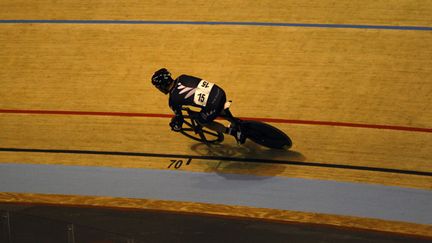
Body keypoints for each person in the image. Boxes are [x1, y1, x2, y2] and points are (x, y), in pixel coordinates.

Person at [151, 68, 245, 144]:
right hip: (219, 92)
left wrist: (176, 126)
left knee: (202, 121)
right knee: (213, 106)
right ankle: (235, 122)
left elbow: (179, 119)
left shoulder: (173, 101)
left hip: (213, 105)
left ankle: (234, 133)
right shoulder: (182, 77)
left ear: (161, 86)